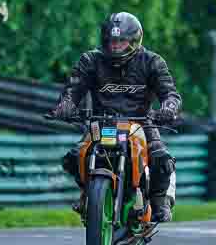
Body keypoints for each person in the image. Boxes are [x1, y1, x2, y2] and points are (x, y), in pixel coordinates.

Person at [48, 12, 182, 222]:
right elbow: (73, 89)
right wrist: (65, 105)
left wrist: (168, 108)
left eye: (122, 41)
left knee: (162, 160)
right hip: (101, 123)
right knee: (74, 157)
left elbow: (170, 93)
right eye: (112, 41)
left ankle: (158, 201)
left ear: (135, 40)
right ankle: (89, 193)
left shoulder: (152, 62)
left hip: (142, 122)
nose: (116, 46)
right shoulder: (90, 60)